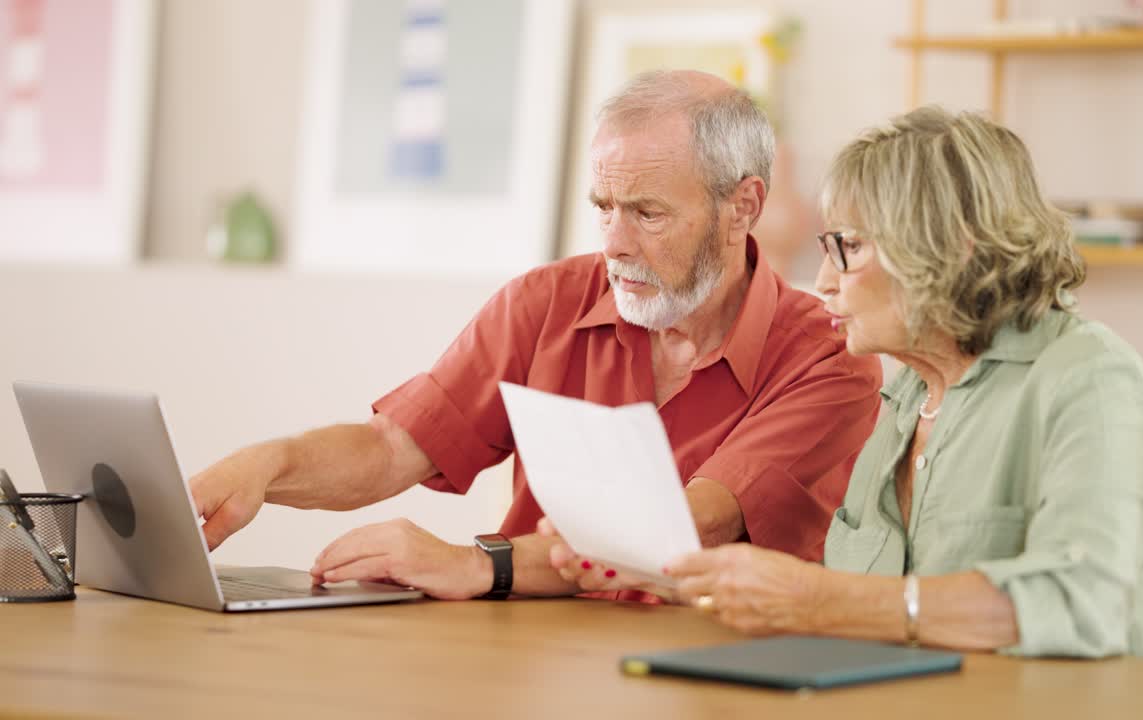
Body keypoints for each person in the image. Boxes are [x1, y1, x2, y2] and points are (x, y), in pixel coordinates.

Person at [189, 70, 882, 603]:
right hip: (531, 653)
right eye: (604, 208)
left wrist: (474, 564)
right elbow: (390, 447)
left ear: (744, 207)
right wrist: (266, 465)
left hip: (714, 675)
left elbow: (685, 531)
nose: (615, 244)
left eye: (647, 213)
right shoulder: (545, 303)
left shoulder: (829, 353)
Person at [661, 106, 1143, 666]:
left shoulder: (1091, 378)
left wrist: (818, 601)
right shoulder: (906, 398)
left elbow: (1078, 603)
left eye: (849, 248)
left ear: (953, 245)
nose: (826, 282)